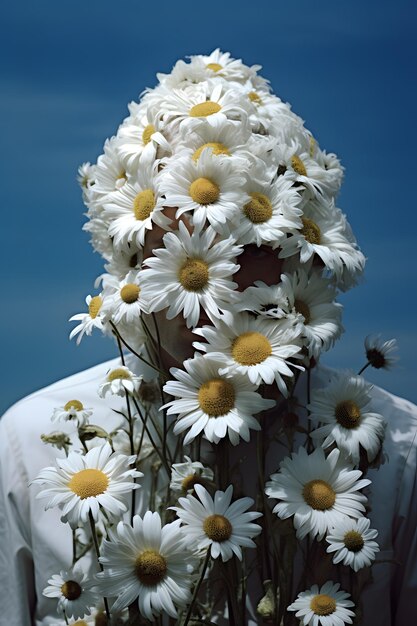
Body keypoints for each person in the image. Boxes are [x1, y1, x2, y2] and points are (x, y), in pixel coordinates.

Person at [1, 50, 417, 625]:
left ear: (300, 257)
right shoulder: (30, 447)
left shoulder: (398, 454)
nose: (216, 296)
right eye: (177, 253)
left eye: (244, 251)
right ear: (131, 262)